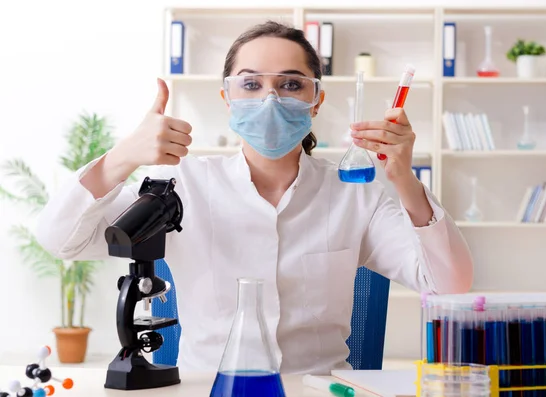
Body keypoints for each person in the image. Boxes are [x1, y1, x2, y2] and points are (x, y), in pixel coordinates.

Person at [36, 21, 474, 375]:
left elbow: (449, 284)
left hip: (316, 391)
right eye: (250, 85)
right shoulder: (181, 187)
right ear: (227, 97)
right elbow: (62, 240)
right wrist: (122, 157)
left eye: (290, 84)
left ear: (316, 100)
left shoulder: (355, 193)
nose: (270, 99)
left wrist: (405, 180)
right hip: (209, 389)